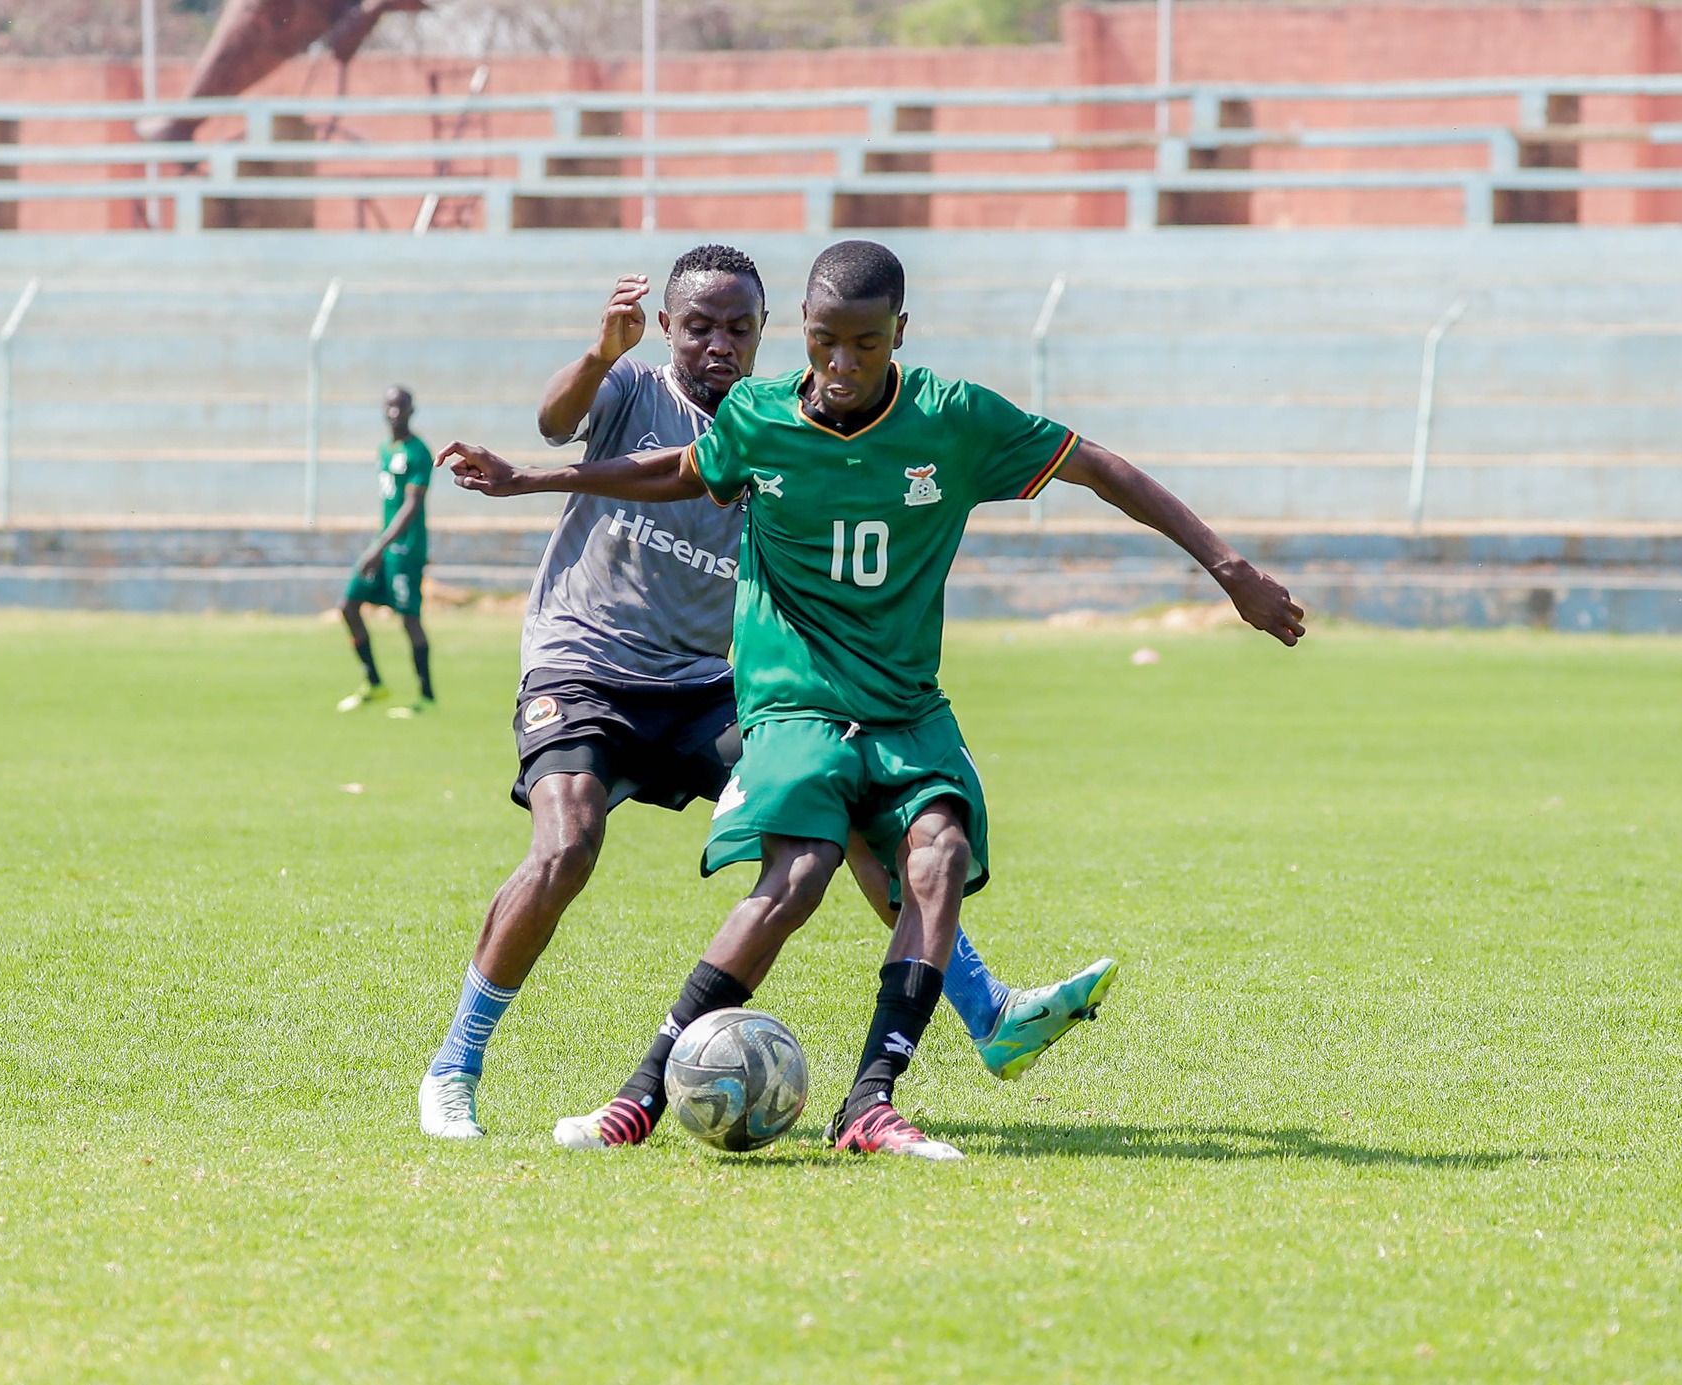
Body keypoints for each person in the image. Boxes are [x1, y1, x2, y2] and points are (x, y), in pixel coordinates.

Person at [440, 239, 1305, 1160]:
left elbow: (1100, 466)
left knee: (932, 853)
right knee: (723, 862)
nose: (842, 366)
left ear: (900, 333)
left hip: (850, 697)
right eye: (825, 345)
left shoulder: (952, 418)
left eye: (863, 344)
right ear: (796, 336)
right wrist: (535, 474)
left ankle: (882, 1094)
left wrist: (1230, 568)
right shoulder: (744, 414)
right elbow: (664, 464)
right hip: (708, 683)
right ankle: (579, 1083)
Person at [336, 386, 436, 718]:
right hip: (384, 544)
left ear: (411, 410)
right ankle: (374, 682)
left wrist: (380, 547)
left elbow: (411, 506)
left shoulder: (418, 451)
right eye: (390, 406)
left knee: (409, 618)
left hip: (405, 548)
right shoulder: (384, 448)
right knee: (349, 605)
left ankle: (426, 696)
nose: (394, 412)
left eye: (401, 406)